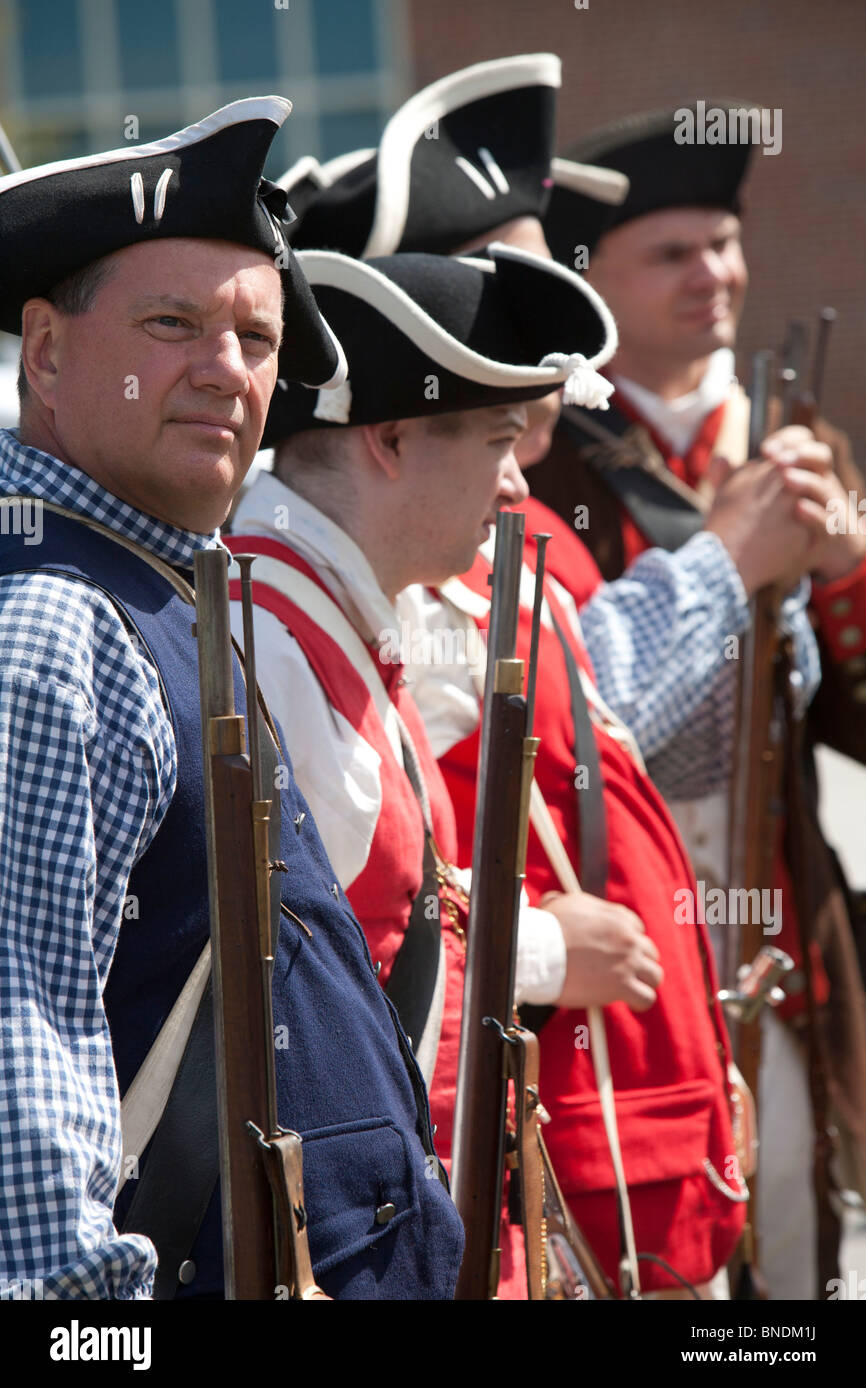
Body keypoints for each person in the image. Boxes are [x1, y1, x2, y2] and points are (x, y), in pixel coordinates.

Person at [279, 59, 829, 1296]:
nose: (550, 306)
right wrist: (529, 954)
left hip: (644, 1105)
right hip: (535, 1128)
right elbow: (357, 920)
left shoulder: (506, 500)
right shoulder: (409, 531)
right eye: (511, 279)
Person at [0, 97, 464, 1302]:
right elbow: (20, 1051)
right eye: (172, 324)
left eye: (255, 343)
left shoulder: (145, 580)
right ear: (44, 352)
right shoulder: (55, 621)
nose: (225, 372)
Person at [227, 241, 663, 1296]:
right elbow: (298, 989)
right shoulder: (274, 642)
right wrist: (547, 957)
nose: (517, 481)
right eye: (499, 442)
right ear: (388, 439)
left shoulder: (316, 616)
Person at [529, 104, 866, 1297]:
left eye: (722, 244)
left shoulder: (794, 434)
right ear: (597, 279)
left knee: (797, 1249)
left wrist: (844, 568)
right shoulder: (544, 452)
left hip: (775, 925)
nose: (711, 274)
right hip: (622, 939)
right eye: (671, 253)